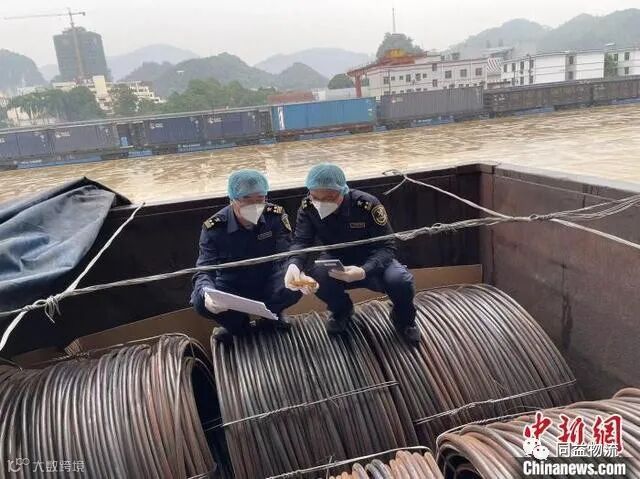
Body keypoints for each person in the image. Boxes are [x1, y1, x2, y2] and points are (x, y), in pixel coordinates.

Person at [284, 163, 420, 344]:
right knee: (318, 276)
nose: (321, 203)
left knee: (400, 281)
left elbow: (387, 247)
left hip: (373, 259)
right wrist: (294, 264)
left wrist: (364, 270)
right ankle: (342, 311)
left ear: (343, 191)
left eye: (329, 197)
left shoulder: (367, 205)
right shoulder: (308, 207)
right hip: (337, 258)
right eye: (315, 197)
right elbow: (302, 241)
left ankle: (404, 319)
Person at [191, 169, 301, 342]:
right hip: (232, 284)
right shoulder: (214, 228)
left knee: (295, 285)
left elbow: (286, 252)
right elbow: (204, 269)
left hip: (268, 278)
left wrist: (293, 268)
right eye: (247, 199)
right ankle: (236, 324)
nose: (254, 205)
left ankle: (273, 314)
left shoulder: (275, 216)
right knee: (200, 301)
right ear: (232, 200)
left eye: (260, 199)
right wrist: (206, 293)